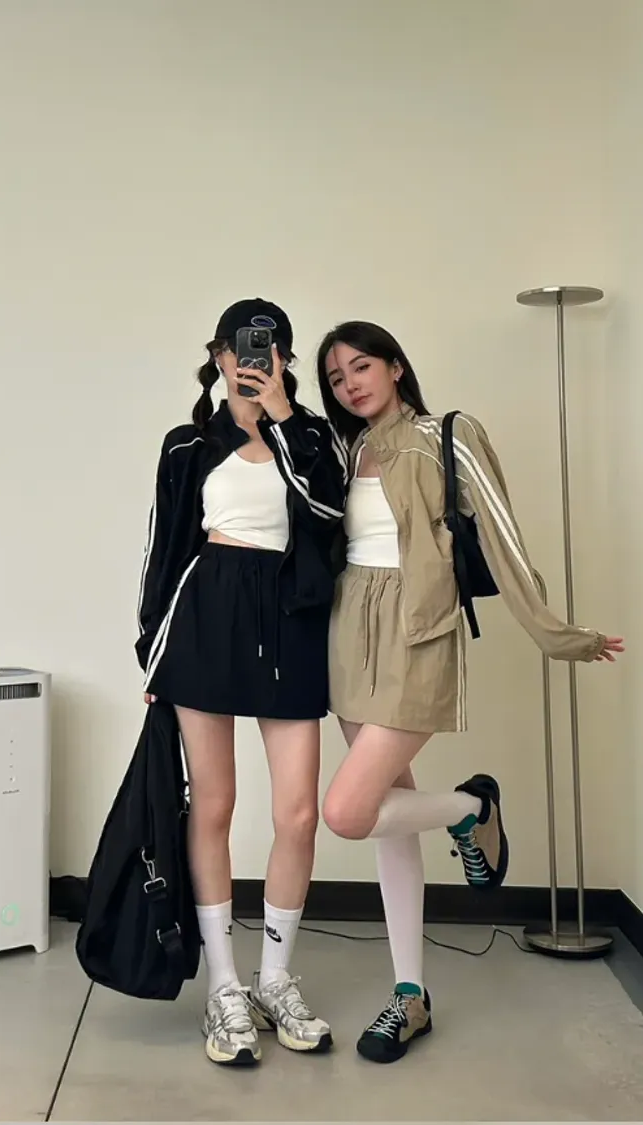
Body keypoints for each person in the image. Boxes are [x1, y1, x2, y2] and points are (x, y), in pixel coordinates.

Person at [316, 319, 624, 1066]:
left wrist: (556, 631)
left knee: (347, 812)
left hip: (418, 634)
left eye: (361, 367)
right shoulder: (346, 450)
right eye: (336, 377)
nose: (350, 384)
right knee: (387, 820)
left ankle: (470, 809)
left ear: (395, 366)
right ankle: (411, 994)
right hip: (350, 636)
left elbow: (503, 538)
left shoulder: (446, 436)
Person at [136, 298, 346, 1066]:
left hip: (289, 620)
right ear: (219, 354)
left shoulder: (314, 436)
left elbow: (326, 512)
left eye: (268, 348)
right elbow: (163, 550)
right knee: (214, 805)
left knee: (298, 813)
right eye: (239, 347)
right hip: (206, 618)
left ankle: (275, 978)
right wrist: (151, 650)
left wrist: (283, 416)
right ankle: (224, 986)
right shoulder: (189, 442)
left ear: (284, 358)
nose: (251, 360)